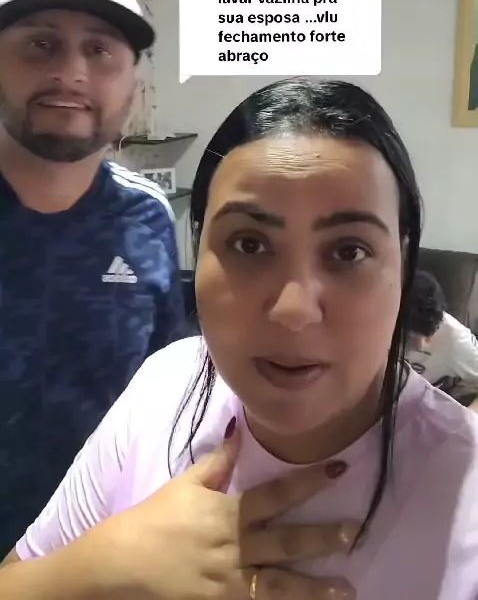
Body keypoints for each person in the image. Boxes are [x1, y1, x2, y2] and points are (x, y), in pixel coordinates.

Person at [2, 77, 478, 600]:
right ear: (197, 249)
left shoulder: (466, 489)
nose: (294, 310)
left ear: (404, 265)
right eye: (249, 244)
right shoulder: (163, 388)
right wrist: (101, 565)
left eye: (349, 252)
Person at [0, 0, 186, 557]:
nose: (71, 73)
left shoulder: (149, 219)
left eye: (100, 50)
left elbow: (165, 394)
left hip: (107, 557)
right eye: (41, 45)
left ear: (133, 85)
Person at [406, 269, 478, 408]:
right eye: (409, 337)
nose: (421, 346)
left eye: (431, 333)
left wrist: (467, 417)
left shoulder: (455, 340)